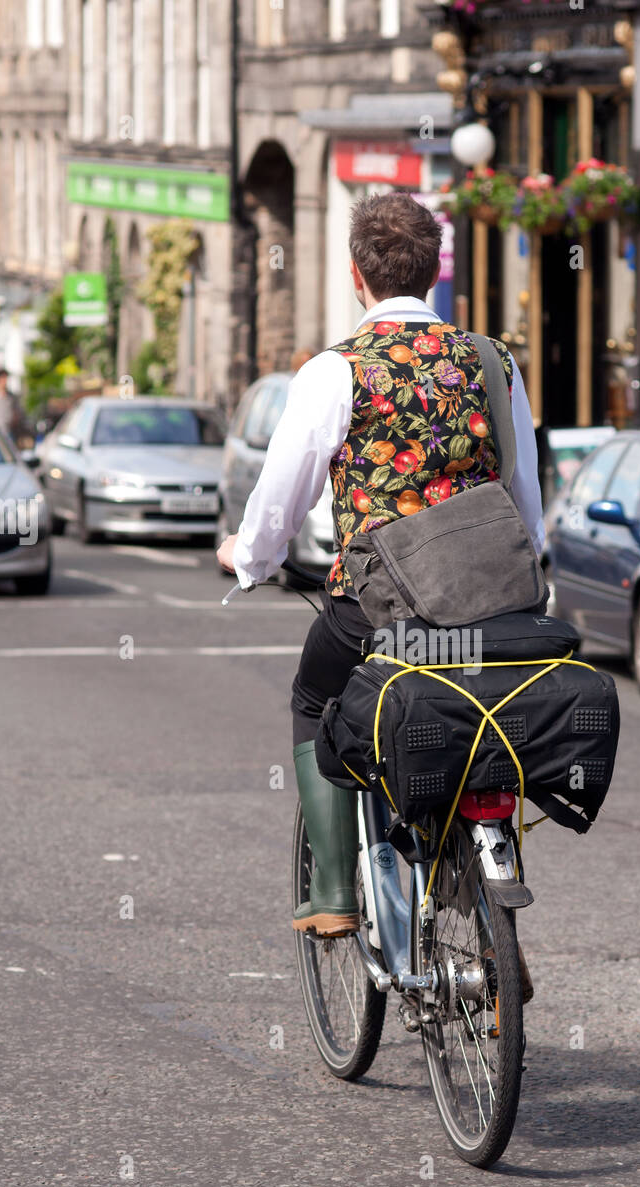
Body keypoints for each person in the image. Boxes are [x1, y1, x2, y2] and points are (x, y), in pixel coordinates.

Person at [218, 193, 543, 967]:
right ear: (433, 272)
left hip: (378, 611)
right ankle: (479, 874)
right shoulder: (493, 362)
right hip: (492, 608)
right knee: (477, 711)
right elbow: (525, 496)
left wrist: (249, 559)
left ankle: (332, 892)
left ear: (357, 276)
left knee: (313, 698)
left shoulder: (336, 370)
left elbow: (281, 496)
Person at [0, 368, 24, 443]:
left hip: (9, 431)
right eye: (3, 378)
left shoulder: (11, 397)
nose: (5, 381)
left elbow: (18, 412)